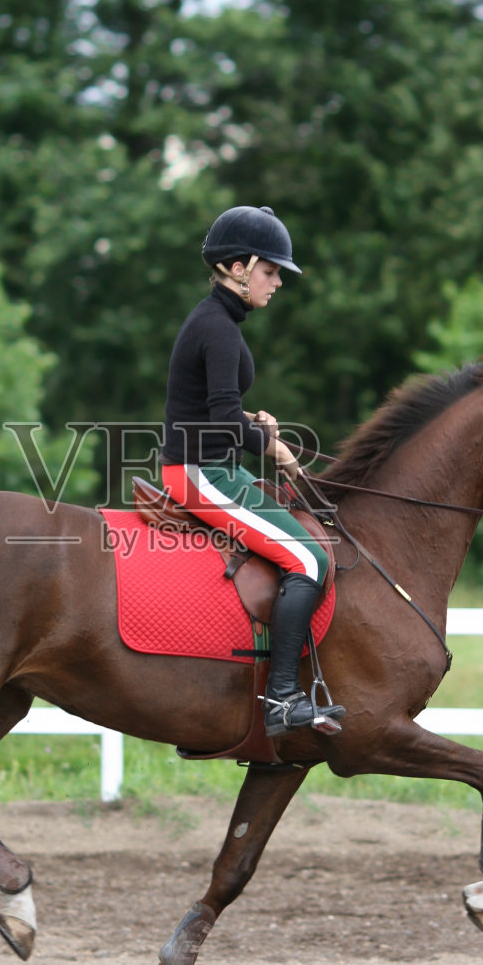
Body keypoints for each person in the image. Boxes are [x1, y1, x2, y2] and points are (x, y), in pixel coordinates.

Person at [160, 204, 338, 737]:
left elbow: (218, 410)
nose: (277, 282)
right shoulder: (217, 328)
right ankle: (282, 699)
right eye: (270, 271)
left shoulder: (219, 322)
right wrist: (270, 444)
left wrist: (250, 419)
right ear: (238, 267)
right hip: (200, 475)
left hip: (215, 467)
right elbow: (218, 418)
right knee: (309, 561)